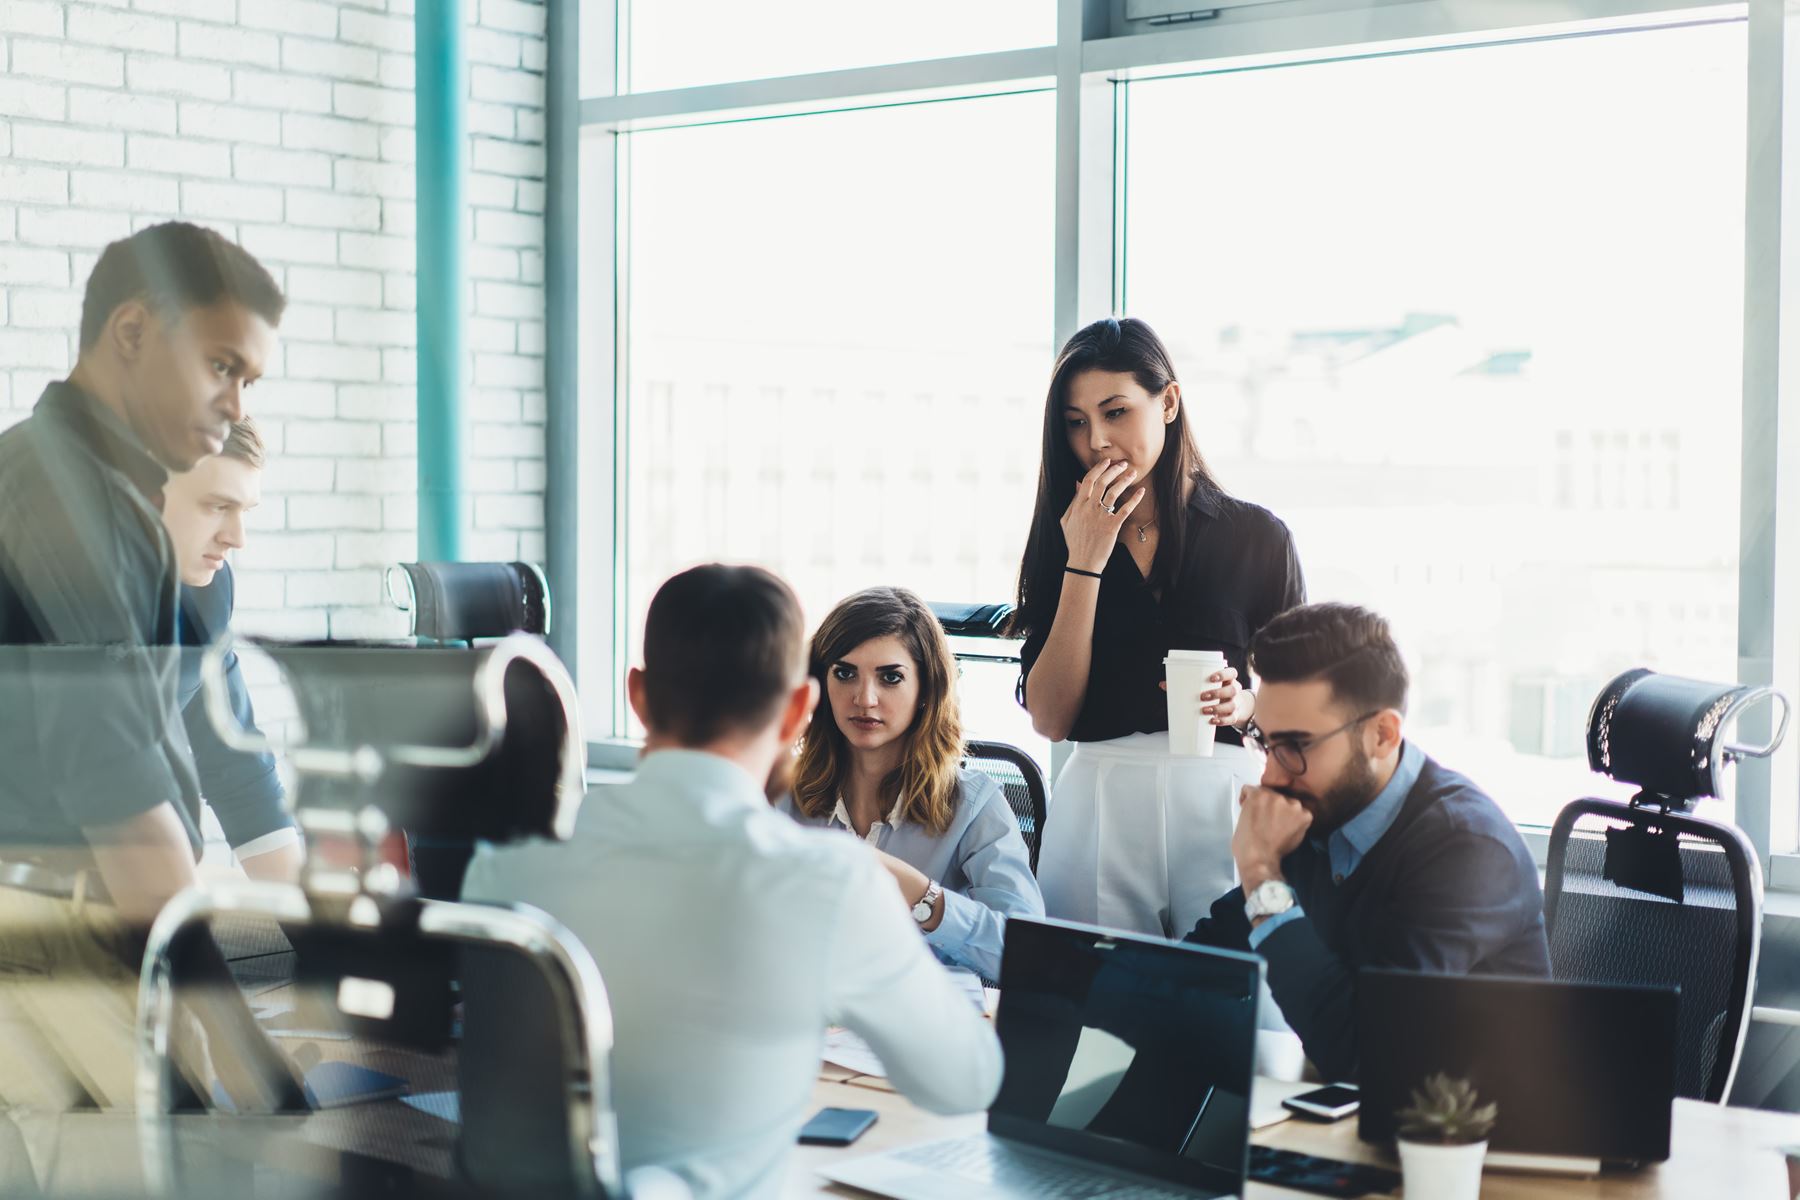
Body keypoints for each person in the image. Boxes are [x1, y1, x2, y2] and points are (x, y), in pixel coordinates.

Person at [462, 564, 1002, 1199]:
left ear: (637, 695)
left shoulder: (500, 870)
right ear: (800, 709)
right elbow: (968, 1080)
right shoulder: (828, 881)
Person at [0, 221, 303, 1187]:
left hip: (97, 931)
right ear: (131, 332)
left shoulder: (137, 531)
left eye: (249, 379)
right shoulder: (61, 500)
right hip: (50, 934)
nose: (236, 401)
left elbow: (229, 763)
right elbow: (126, 807)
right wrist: (235, 1045)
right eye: (221, 365)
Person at [1014, 316, 1305, 938]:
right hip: (1101, 796)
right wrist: (1085, 560)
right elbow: (1051, 718)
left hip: (1222, 796)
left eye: (1116, 412)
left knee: (1231, 986)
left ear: (1168, 402)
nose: (1096, 441)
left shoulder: (1256, 537)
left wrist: (1242, 703)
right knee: (1095, 996)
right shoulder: (1064, 536)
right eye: (1076, 422)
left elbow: (1305, 705)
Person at [1184, 602, 1551, 1082]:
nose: (1271, 776)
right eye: (1265, 742)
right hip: (1356, 1108)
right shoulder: (1317, 812)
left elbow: (1366, 1055)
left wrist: (1261, 875)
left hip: (1472, 1121)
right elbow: (1205, 960)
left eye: (1295, 746)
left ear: (1382, 734)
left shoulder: (1468, 850)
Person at [777, 586, 1043, 981]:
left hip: (921, 1012)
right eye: (845, 673)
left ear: (925, 689)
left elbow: (1029, 958)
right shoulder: (782, 795)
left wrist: (922, 896)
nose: (865, 699)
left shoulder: (974, 805)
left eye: (890, 677)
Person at [163, 415, 302, 882]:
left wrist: (308, 914)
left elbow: (237, 763)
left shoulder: (208, 592)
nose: (236, 538)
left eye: (245, 510)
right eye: (217, 506)